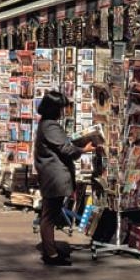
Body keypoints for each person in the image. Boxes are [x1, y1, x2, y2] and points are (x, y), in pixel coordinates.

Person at [34, 91, 95, 266]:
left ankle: (50, 249)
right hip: (54, 176)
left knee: (50, 213)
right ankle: (50, 254)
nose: (62, 111)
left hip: (52, 174)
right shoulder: (50, 126)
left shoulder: (46, 125)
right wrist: (83, 150)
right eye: (60, 108)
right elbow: (66, 149)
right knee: (49, 216)